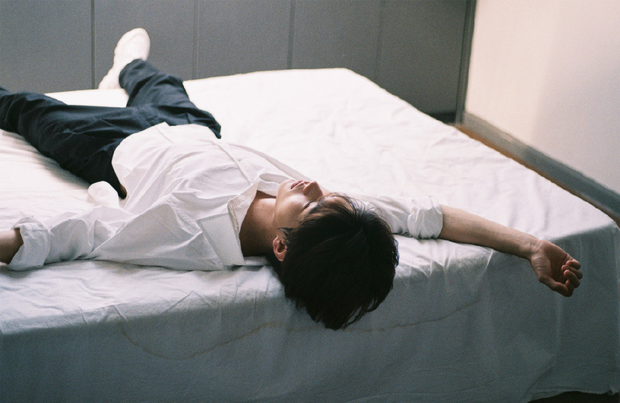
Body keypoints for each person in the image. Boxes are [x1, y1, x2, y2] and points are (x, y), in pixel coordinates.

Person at [0, 29, 582, 330]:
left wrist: (12, 241)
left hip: (115, 145)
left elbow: (80, 234)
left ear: (280, 246)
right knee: (160, 84)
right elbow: (430, 218)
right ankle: (125, 69)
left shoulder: (189, 237)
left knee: (28, 110)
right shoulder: (331, 217)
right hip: (196, 131)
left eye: (312, 204)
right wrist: (528, 244)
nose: (315, 188)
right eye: (329, 197)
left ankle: (110, 86)